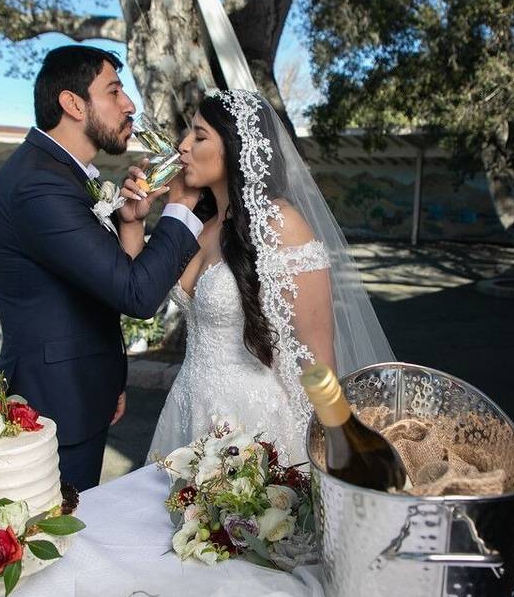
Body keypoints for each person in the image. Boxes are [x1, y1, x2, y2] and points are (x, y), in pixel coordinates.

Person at [0, 45, 202, 491]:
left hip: (80, 394)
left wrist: (129, 223)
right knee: (62, 540)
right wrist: (181, 206)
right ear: (73, 103)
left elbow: (97, 283)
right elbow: (135, 294)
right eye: (115, 91)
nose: (130, 105)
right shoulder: (40, 186)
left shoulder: (63, 174)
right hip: (55, 407)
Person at [146, 90, 395, 463]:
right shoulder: (200, 225)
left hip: (250, 423)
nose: (182, 147)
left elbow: (316, 355)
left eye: (199, 136)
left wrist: (337, 448)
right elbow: (140, 291)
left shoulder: (282, 225)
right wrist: (136, 222)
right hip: (186, 409)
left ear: (235, 146)